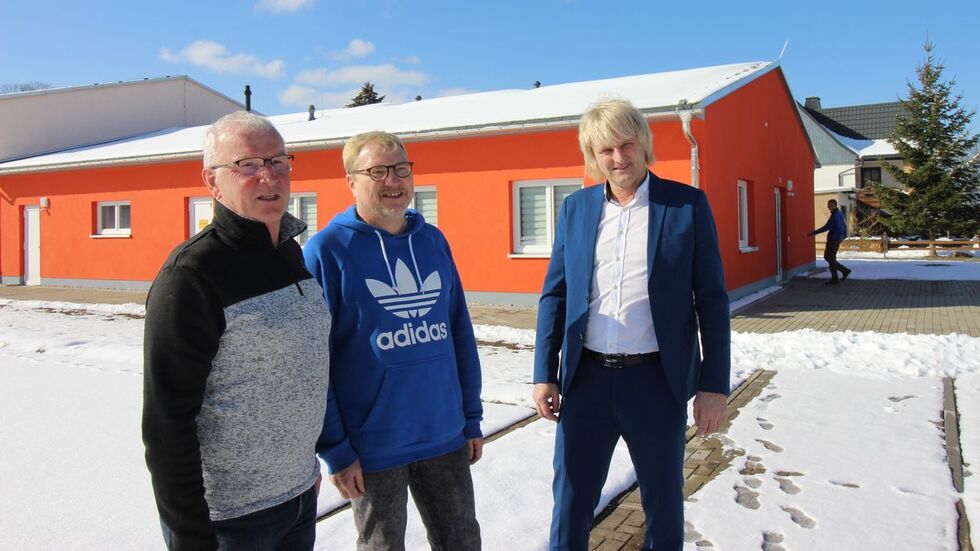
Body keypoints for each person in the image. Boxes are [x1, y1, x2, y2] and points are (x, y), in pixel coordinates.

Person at [532, 99, 731, 551]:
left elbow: (713, 301)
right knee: (570, 503)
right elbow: (555, 294)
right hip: (586, 383)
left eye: (626, 145)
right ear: (593, 156)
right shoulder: (576, 209)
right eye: (606, 150)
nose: (618, 158)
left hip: (655, 382)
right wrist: (545, 370)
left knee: (663, 503)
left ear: (643, 144)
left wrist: (713, 385)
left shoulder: (686, 206)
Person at [142, 111, 331, 551]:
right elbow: (166, 424)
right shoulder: (192, 275)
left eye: (278, 162)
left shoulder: (289, 252)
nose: (269, 176)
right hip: (230, 520)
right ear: (212, 181)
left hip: (298, 497)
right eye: (247, 165)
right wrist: (192, 537)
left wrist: (304, 472)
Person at [303, 131, 483, 550]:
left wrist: (470, 415)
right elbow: (315, 363)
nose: (393, 180)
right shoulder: (326, 251)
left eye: (401, 169)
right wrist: (336, 448)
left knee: (462, 541)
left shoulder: (433, 241)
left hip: (444, 434)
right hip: (372, 448)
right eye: (378, 171)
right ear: (351, 182)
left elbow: (459, 331)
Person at [809, 199, 851, 284]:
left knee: (830, 258)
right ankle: (844, 271)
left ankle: (836, 278)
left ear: (833, 205)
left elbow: (829, 227)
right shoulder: (837, 214)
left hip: (833, 240)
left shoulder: (836, 215)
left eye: (829, 205)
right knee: (829, 258)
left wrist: (814, 233)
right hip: (835, 239)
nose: (828, 207)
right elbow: (836, 226)